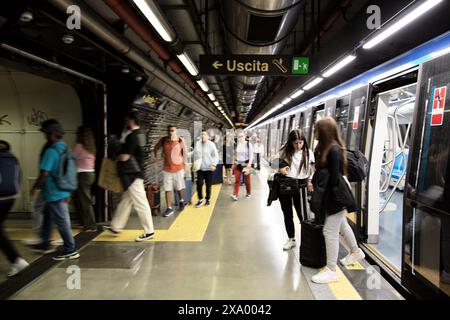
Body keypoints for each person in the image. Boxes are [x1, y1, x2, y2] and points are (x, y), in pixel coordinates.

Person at [311, 117, 365, 284]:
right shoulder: (327, 148)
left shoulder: (333, 150)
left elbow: (334, 178)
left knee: (329, 231)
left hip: (336, 193)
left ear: (323, 131)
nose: (315, 132)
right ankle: (356, 251)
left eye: (317, 129)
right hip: (335, 191)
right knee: (342, 224)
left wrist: (324, 199)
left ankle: (331, 270)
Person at [30, 120, 80, 260]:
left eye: (46, 134)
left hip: (55, 193)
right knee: (48, 218)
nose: (45, 136)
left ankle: (71, 249)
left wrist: (35, 188)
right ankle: (45, 243)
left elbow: (44, 173)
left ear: (51, 135)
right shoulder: (64, 148)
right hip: (62, 190)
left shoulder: (51, 151)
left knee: (62, 221)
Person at [103, 110, 155, 241]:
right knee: (126, 201)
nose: (126, 121)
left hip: (133, 175)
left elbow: (126, 156)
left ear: (132, 120)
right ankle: (116, 226)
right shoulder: (141, 135)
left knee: (141, 203)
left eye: (128, 119)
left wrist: (117, 156)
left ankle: (149, 231)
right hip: (137, 173)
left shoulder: (132, 136)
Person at [279, 130, 315, 251]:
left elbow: (313, 169)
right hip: (287, 184)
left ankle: (307, 240)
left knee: (303, 214)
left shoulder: (308, 153)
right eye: (295, 143)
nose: (298, 146)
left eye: (300, 142)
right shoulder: (284, 151)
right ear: (291, 142)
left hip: (302, 185)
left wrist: (310, 181)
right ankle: (291, 239)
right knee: (287, 213)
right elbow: (273, 164)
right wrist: (281, 169)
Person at [0, 140, 30, 276]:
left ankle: (17, 261)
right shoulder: (13, 158)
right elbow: (19, 178)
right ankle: (16, 261)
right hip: (11, 198)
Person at [154, 125, 187, 217]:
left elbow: (185, 153)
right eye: (169, 130)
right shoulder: (164, 140)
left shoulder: (180, 141)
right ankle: (169, 208)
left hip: (178, 168)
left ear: (176, 132)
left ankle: (181, 201)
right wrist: (155, 156)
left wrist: (185, 165)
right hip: (167, 169)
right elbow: (156, 147)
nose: (170, 132)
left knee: (179, 187)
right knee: (168, 188)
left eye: (172, 130)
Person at [72, 126, 97, 232]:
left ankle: (90, 226)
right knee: (81, 200)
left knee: (85, 201)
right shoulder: (91, 146)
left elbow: (71, 158)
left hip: (82, 175)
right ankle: (83, 223)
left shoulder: (79, 146)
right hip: (91, 174)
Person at [194, 131, 219, 208]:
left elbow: (216, 156)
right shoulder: (197, 144)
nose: (202, 135)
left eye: (204, 134)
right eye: (201, 134)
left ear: (208, 136)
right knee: (199, 183)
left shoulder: (211, 145)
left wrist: (214, 165)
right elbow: (194, 153)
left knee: (208, 185)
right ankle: (200, 199)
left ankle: (208, 199)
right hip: (200, 168)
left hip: (209, 168)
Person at [230, 131, 253, 201]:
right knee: (237, 180)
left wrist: (249, 164)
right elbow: (234, 154)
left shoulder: (249, 145)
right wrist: (233, 163)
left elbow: (251, 156)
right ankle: (235, 194)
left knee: (247, 181)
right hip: (238, 164)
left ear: (245, 136)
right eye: (239, 136)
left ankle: (248, 192)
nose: (240, 138)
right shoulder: (236, 145)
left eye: (242, 136)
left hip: (246, 165)